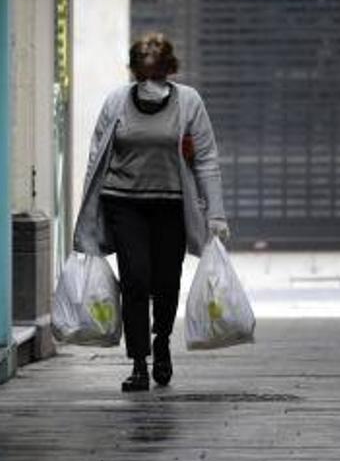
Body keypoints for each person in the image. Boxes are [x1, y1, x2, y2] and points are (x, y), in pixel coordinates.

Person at [73, 33, 230, 392]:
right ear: (133, 69)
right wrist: (89, 213)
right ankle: (140, 362)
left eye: (156, 68)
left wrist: (216, 214)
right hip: (123, 202)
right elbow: (97, 158)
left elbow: (206, 159)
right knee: (135, 279)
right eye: (143, 68)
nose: (149, 77)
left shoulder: (189, 102)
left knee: (165, 282)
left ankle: (162, 342)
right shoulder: (116, 102)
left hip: (171, 205)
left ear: (168, 69)